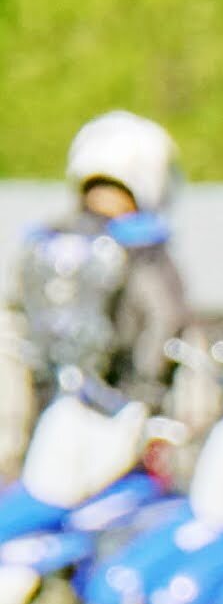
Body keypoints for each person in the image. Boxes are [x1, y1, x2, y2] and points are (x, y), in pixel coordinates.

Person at [6, 111, 194, 429]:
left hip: (39, 419)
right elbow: (166, 320)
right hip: (114, 421)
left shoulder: (43, 240)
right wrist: (147, 399)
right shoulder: (141, 244)